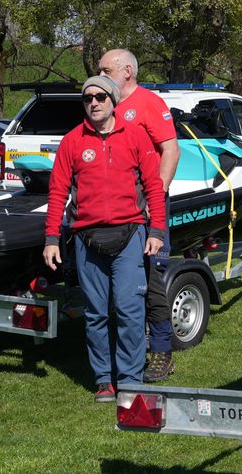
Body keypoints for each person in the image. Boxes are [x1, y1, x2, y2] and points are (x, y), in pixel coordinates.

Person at [43, 75, 166, 402]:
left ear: (113, 101)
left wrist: (157, 231)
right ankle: (103, 380)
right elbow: (57, 192)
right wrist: (51, 238)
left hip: (130, 235)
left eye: (100, 97)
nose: (94, 103)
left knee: (129, 311)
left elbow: (154, 186)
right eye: (88, 98)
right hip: (87, 239)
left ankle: (130, 379)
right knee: (96, 313)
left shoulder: (136, 136)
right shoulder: (72, 141)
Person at [98, 49, 180, 383]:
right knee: (120, 280)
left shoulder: (149, 103)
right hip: (116, 209)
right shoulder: (107, 104)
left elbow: (171, 149)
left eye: (106, 70)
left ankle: (161, 352)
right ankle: (124, 349)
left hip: (146, 204)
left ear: (127, 71)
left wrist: (155, 195)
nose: (101, 76)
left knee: (152, 276)